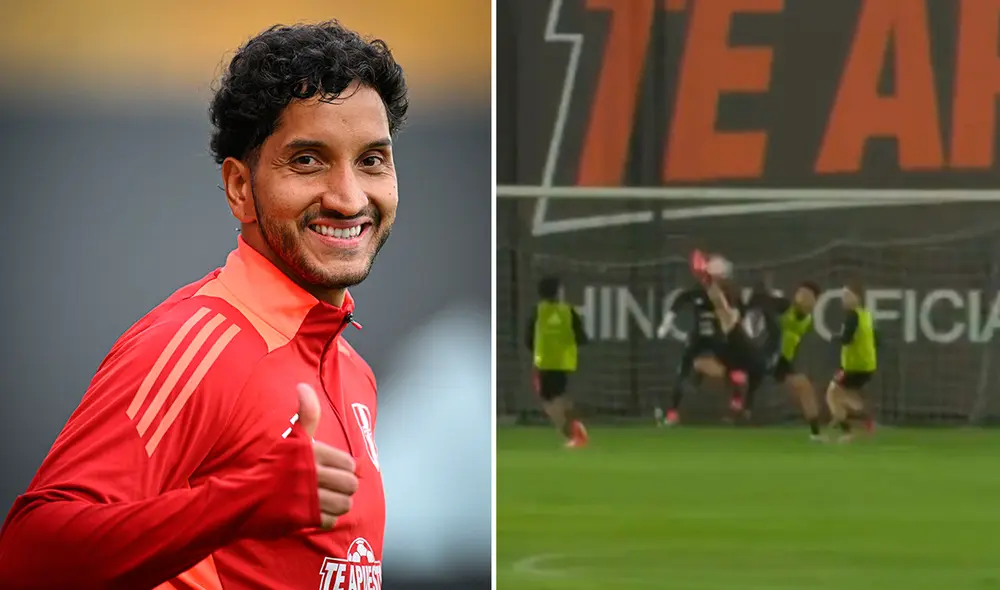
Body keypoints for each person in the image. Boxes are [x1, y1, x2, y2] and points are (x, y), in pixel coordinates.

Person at [0, 21, 406, 589]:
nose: (348, 197)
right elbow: (28, 555)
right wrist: (240, 501)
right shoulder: (197, 342)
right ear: (241, 187)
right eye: (308, 161)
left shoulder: (353, 372)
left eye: (371, 160)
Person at [746, 281, 825, 440]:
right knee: (746, 380)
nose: (801, 298)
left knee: (804, 386)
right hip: (764, 354)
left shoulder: (808, 321)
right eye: (800, 293)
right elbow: (760, 301)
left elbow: (793, 344)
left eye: (807, 295)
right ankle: (744, 405)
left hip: (782, 362)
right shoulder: (783, 306)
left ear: (814, 301)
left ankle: (816, 434)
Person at [524, 276, 590, 448]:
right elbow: (582, 337)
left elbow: (528, 338)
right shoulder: (568, 311)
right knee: (560, 397)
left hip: (544, 361)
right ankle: (575, 431)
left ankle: (573, 435)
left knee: (550, 401)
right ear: (558, 291)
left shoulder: (537, 312)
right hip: (564, 362)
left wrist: (538, 351)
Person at [827, 280, 878, 443]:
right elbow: (875, 338)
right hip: (867, 366)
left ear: (857, 297)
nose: (844, 299)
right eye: (843, 296)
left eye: (847, 295)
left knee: (832, 395)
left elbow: (846, 339)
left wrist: (834, 338)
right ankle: (861, 417)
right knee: (843, 394)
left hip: (853, 366)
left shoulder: (853, 316)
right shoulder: (866, 314)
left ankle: (848, 429)